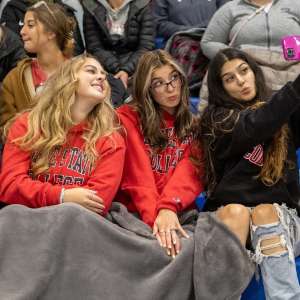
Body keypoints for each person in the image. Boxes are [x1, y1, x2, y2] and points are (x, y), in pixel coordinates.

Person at [199, 47, 300, 299]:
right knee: (239, 211)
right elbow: (258, 123)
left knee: (265, 211)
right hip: (232, 219)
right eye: (230, 78)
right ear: (221, 87)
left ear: (254, 72)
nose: (241, 81)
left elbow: (276, 113)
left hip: (280, 219)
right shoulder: (217, 120)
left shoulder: (281, 113)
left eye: (244, 71)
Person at [0, 54, 125, 214]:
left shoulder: (111, 140)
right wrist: (62, 196)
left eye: (103, 74)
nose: (101, 77)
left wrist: (37, 194)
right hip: (26, 222)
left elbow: (98, 202)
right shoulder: (28, 124)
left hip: (75, 226)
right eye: (91, 71)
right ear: (68, 79)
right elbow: (10, 186)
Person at [116, 49, 204, 258]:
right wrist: (157, 221)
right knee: (153, 252)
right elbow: (138, 176)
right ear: (147, 89)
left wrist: (168, 208)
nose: (171, 88)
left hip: (177, 210)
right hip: (135, 211)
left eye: (174, 78)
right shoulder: (127, 118)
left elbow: (190, 173)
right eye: (158, 83)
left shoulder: (194, 125)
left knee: (190, 252)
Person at [0, 1, 76, 128]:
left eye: (30, 25)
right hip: (27, 146)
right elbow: (6, 128)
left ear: (51, 32)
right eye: (23, 25)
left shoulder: (80, 73)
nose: (22, 32)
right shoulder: (15, 78)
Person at [82, 0, 155, 89]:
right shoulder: (91, 5)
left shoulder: (142, 4)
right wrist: (118, 70)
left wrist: (126, 70)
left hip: (136, 66)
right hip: (105, 67)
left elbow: (146, 46)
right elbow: (94, 47)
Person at [0, 0, 84, 55]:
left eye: (30, 25)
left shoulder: (64, 11)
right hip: (25, 64)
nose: (22, 31)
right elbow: (11, 47)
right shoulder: (12, 9)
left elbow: (76, 48)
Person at [152, 0, 229, 41]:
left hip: (214, 36)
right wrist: (186, 30)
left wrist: (204, 27)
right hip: (181, 40)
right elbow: (159, 24)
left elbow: (226, 14)